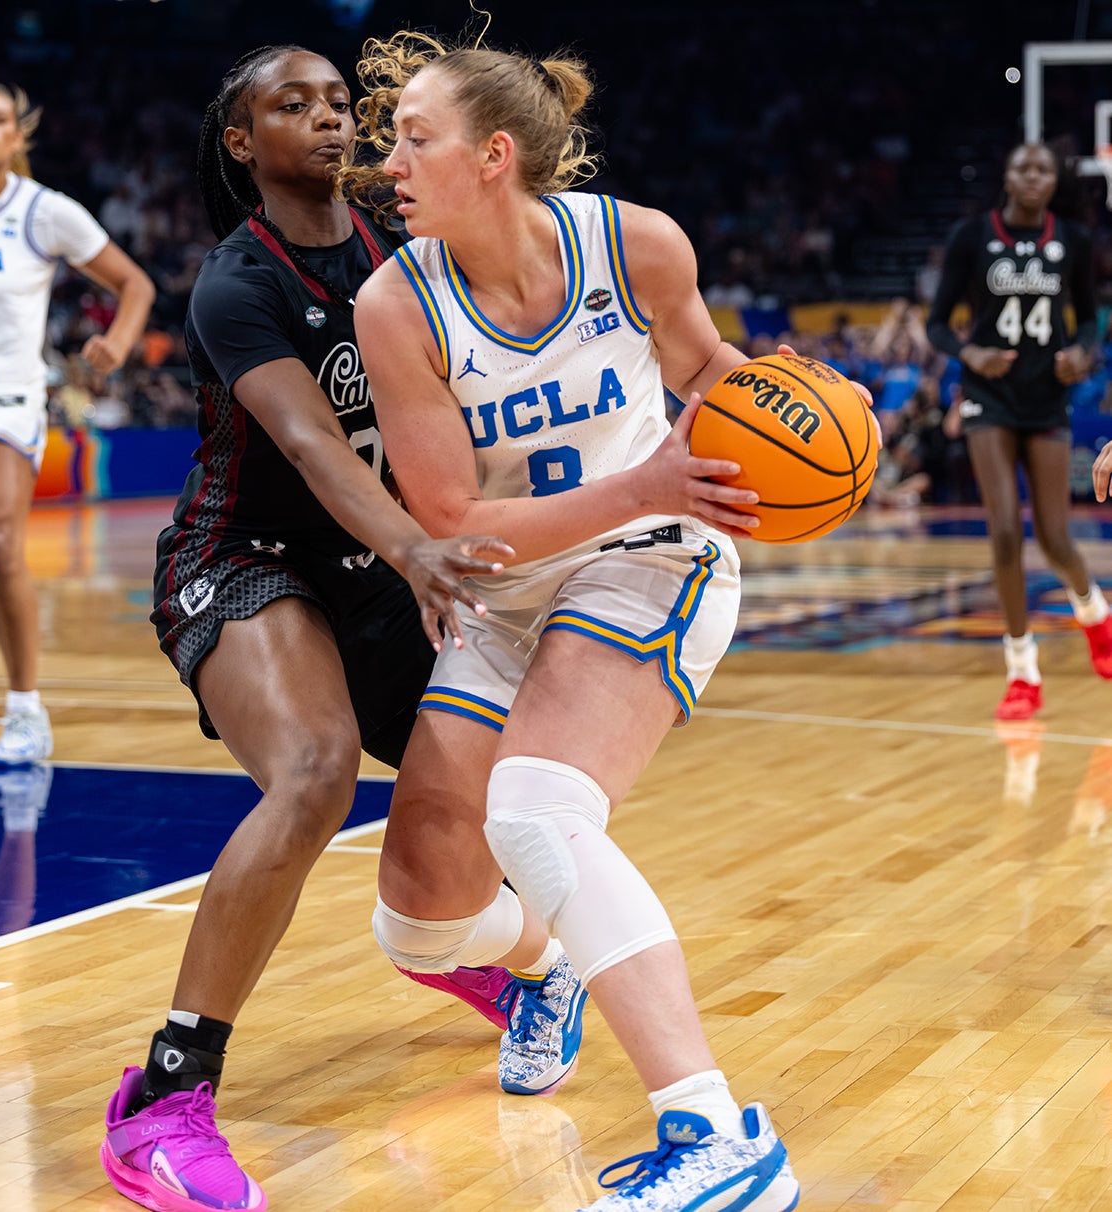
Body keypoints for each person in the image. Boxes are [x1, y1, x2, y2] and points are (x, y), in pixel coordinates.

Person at [97, 45, 572, 1212]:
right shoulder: (234, 285)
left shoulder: (400, 252)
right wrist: (418, 548)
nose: (324, 118)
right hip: (244, 560)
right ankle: (164, 1097)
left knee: (495, 796)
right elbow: (310, 445)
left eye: (334, 102)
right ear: (243, 144)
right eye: (288, 105)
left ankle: (512, 964)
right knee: (312, 771)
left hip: (376, 564)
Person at [346, 30, 801, 1211]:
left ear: (493, 156)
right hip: (507, 586)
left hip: (653, 553)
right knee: (418, 919)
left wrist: (800, 421)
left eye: (414, 138)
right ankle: (550, 970)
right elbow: (450, 518)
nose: (386, 160)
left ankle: (715, 1137)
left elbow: (709, 377)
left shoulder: (636, 247)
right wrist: (635, 480)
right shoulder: (396, 308)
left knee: (538, 809)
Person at [0, 82, 155, 762]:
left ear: (15, 137)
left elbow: (135, 284)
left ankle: (25, 711)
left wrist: (116, 346)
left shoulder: (42, 212)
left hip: (2, 396)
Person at [926, 142, 1112, 720]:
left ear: (1054, 181)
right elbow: (937, 323)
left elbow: (1091, 322)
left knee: (1056, 538)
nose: (1033, 177)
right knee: (1005, 530)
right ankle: (1022, 671)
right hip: (990, 396)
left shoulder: (1074, 242)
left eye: (1044, 169)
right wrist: (970, 354)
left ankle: (1095, 616)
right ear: (1007, 176)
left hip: (1046, 399)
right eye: (1023, 167)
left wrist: (1082, 355)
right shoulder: (972, 237)